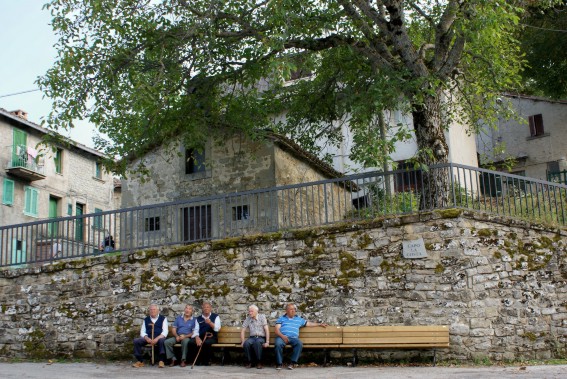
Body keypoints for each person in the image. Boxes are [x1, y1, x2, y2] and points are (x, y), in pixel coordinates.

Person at [274, 303, 328, 370]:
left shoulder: (299, 319)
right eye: (291, 309)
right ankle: (279, 364)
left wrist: (320, 324)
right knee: (278, 344)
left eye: (294, 309)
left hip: (293, 338)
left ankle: (292, 363)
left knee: (299, 343)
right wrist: (283, 336)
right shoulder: (281, 319)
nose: (293, 311)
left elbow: (309, 324)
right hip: (282, 337)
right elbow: (276, 330)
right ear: (286, 311)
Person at [132, 304, 169, 368]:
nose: (152, 311)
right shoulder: (146, 319)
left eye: (154, 309)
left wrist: (157, 338)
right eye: (151, 310)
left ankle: (161, 361)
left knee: (162, 341)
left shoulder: (163, 319)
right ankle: (140, 361)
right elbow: (142, 331)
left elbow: (165, 331)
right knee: (136, 341)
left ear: (158, 311)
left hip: (158, 337)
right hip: (148, 338)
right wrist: (146, 338)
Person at [190, 301, 221, 366]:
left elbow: (217, 329)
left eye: (208, 307)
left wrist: (210, 323)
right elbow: (196, 330)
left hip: (211, 336)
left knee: (206, 343)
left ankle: (207, 361)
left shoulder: (215, 317)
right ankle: (197, 361)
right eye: (204, 307)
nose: (206, 309)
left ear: (210, 308)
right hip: (200, 336)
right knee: (192, 342)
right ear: (202, 308)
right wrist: (197, 337)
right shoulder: (198, 318)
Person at [240, 304, 270, 369]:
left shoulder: (262, 317)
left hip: (261, 337)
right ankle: (250, 362)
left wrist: (267, 342)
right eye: (249, 311)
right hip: (252, 337)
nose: (250, 313)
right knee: (246, 343)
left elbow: (266, 329)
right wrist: (242, 341)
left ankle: (259, 362)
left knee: (257, 343)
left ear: (257, 311)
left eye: (252, 311)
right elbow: (243, 330)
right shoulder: (248, 318)